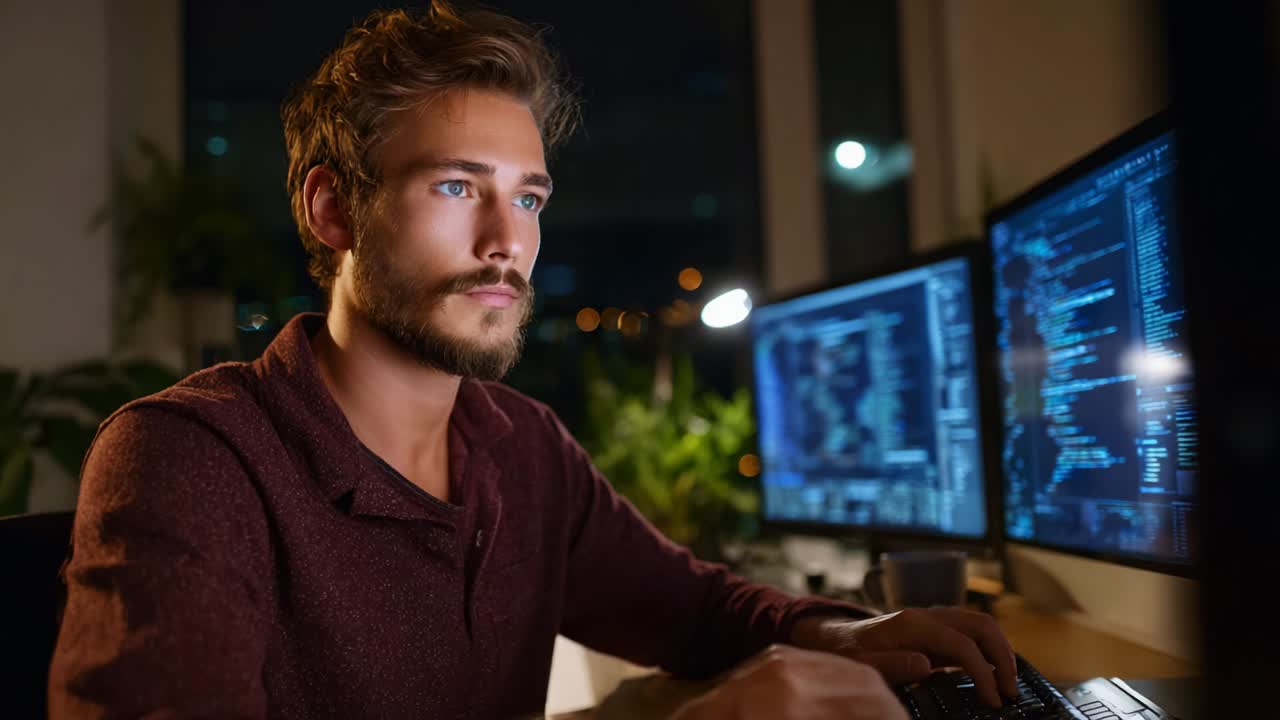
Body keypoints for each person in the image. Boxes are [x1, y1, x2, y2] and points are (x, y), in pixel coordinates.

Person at [47, 3, 1018, 718]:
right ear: (332, 210)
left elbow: (690, 608)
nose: (503, 241)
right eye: (456, 186)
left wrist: (839, 631)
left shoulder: (520, 447)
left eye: (527, 199)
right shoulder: (188, 459)